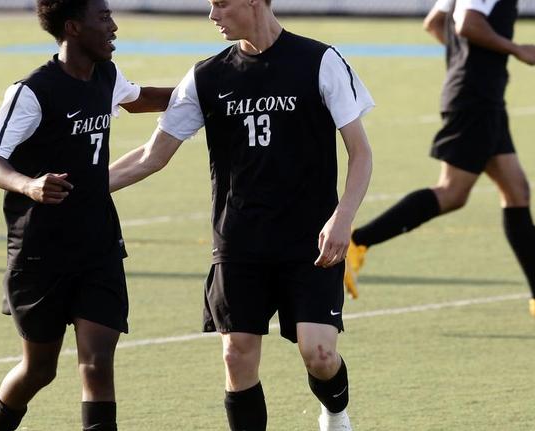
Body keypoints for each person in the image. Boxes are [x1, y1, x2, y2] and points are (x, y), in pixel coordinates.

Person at [108, 0, 373, 429]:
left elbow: (360, 154)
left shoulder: (320, 61)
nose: (212, 15)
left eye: (220, 4)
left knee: (319, 354)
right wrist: (82, 191)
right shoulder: (206, 76)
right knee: (237, 354)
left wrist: (343, 218)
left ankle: (335, 413)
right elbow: (150, 156)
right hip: (238, 241)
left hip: (311, 241)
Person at [0, 1, 172, 430]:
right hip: (40, 252)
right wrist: (29, 185)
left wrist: (210, 90)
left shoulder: (106, 76)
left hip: (98, 243)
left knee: (97, 364)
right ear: (73, 27)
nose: (114, 26)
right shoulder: (33, 91)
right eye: (104, 18)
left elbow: (142, 100)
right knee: (39, 370)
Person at [343, 0, 535, 321]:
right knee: (451, 192)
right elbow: (466, 24)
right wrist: (515, 50)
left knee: (516, 190)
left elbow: (435, 22)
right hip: (475, 100)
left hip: (483, 98)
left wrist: (476, 61)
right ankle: (357, 241)